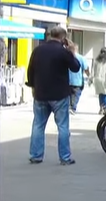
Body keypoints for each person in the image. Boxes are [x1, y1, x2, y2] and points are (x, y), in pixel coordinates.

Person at [26, 25, 81, 165]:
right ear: (63, 38)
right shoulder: (63, 52)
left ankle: (36, 155)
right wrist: (72, 52)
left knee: (38, 125)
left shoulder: (38, 50)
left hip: (40, 93)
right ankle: (65, 157)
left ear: (50, 35)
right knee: (62, 127)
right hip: (59, 95)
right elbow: (76, 68)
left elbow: (30, 69)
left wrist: (32, 85)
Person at [67, 42, 89, 115]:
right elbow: (86, 69)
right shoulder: (81, 58)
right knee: (76, 95)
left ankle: (69, 107)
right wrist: (89, 76)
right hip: (78, 81)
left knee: (68, 95)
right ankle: (73, 108)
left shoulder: (66, 56)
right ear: (77, 49)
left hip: (67, 80)